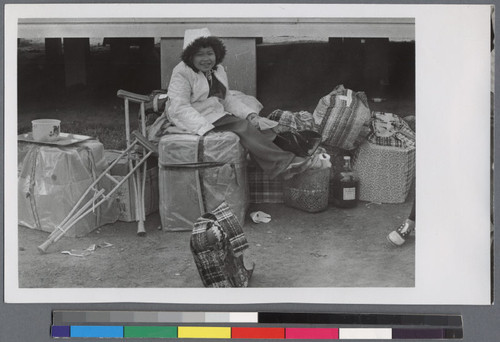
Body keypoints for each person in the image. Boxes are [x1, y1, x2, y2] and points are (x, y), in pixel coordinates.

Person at [165, 28, 323, 179]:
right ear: (190, 56)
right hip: (192, 117)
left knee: (263, 127)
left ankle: (284, 166)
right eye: (199, 54)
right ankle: (281, 161)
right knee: (241, 126)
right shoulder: (182, 72)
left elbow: (226, 99)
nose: (206, 59)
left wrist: (250, 114)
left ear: (217, 54)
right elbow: (179, 107)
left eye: (210, 53)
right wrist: (205, 129)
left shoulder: (217, 70)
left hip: (213, 113)